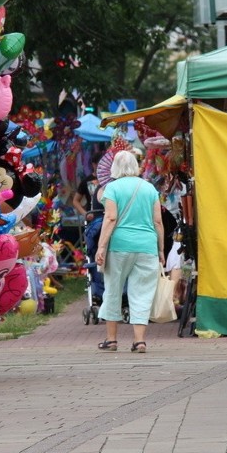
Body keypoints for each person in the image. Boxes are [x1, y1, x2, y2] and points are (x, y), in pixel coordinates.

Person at [94, 150, 164, 353]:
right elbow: (157, 221)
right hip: (147, 245)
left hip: (119, 246)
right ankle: (139, 341)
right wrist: (160, 249)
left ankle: (112, 339)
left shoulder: (112, 188)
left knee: (113, 289)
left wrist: (101, 246)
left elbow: (110, 218)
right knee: (142, 292)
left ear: (114, 167)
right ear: (136, 166)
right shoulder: (150, 188)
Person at [72, 151, 105, 303]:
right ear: (93, 165)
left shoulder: (109, 181)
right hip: (94, 222)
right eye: (99, 164)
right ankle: (98, 289)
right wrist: (85, 213)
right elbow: (76, 200)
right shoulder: (87, 181)